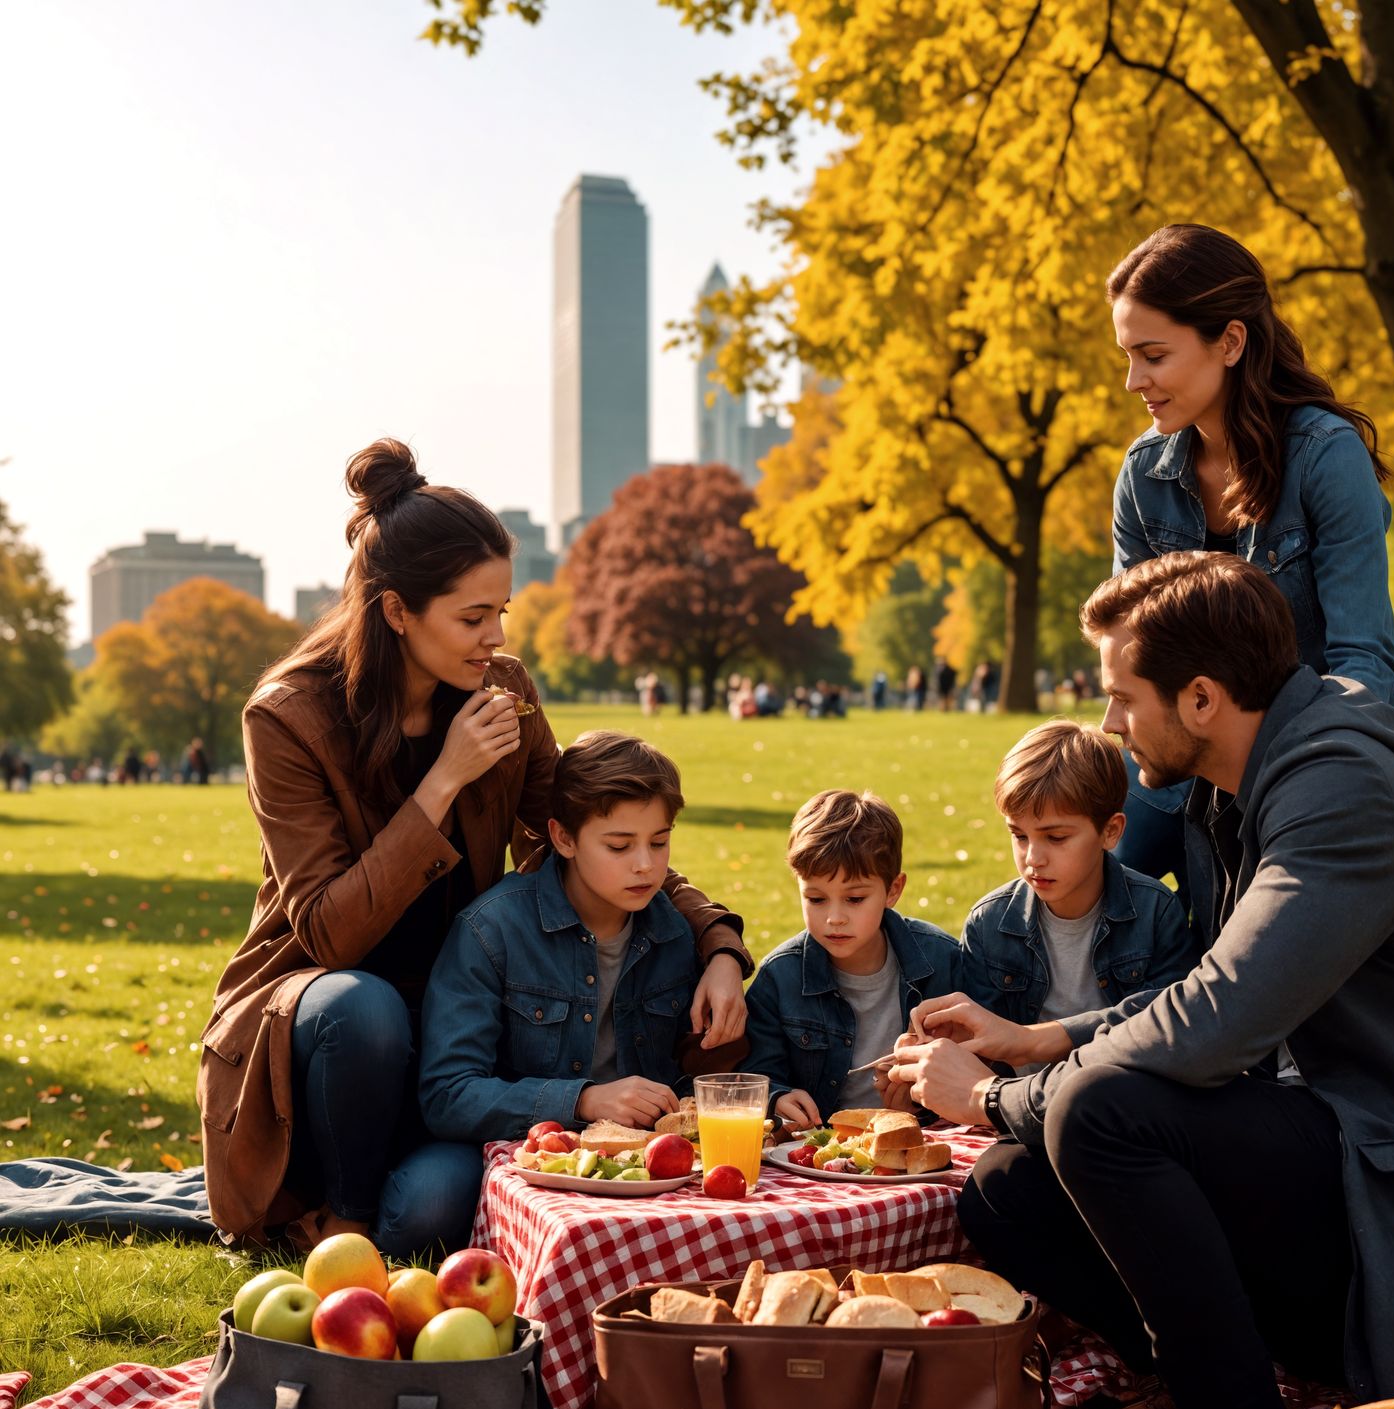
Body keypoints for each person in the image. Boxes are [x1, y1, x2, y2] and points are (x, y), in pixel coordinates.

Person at [889, 552, 1394, 1409]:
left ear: (1199, 698)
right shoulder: (1245, 788)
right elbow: (1207, 988)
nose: (1107, 723)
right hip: (1324, 1160)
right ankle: (1189, 1371)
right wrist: (1032, 1037)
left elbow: (1214, 1023)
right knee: (1006, 1186)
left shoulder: (1338, 793)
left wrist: (989, 1096)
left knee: (1095, 1116)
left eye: (1119, 696)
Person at [198, 439, 751, 1256]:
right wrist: (443, 783)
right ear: (395, 612)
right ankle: (343, 1228)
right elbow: (327, 933)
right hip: (322, 1018)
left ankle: (403, 1201)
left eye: (502, 613)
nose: (494, 637)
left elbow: (586, 836)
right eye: (471, 616)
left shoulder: (504, 690)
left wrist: (717, 940)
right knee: (365, 1006)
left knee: (435, 1209)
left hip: (464, 1023)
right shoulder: (288, 716)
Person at [1105, 224, 1394, 891]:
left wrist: (1290, 786)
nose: (1134, 380)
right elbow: (1124, 648)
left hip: (1316, 753)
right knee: (1077, 876)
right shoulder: (1145, 474)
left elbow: (1362, 664)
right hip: (1184, 759)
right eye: (1128, 357)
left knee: (1249, 947)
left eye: (1154, 355)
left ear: (1229, 341)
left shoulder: (1325, 456)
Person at [420, 732, 718, 1140]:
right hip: (513, 1143)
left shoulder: (674, 933)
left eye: (660, 841)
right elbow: (448, 1096)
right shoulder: (492, 930)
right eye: (619, 846)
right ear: (564, 838)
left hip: (637, 1153)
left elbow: (684, 1081)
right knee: (431, 1194)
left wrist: (726, 960)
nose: (646, 866)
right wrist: (582, 1101)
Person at [955, 721, 1194, 1044]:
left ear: (1110, 831)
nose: (1033, 858)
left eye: (1055, 837)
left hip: (1121, 1088)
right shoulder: (988, 924)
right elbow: (981, 1046)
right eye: (1019, 836)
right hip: (1011, 1091)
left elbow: (1166, 1029)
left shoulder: (1156, 913)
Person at [742, 790, 960, 1130]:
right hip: (817, 1151)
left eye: (855, 898)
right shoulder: (780, 976)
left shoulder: (941, 960)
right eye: (815, 898)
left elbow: (974, 1070)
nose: (834, 918)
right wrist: (777, 1097)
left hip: (920, 1139)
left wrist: (920, 1100)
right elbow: (755, 1074)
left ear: (893, 890)